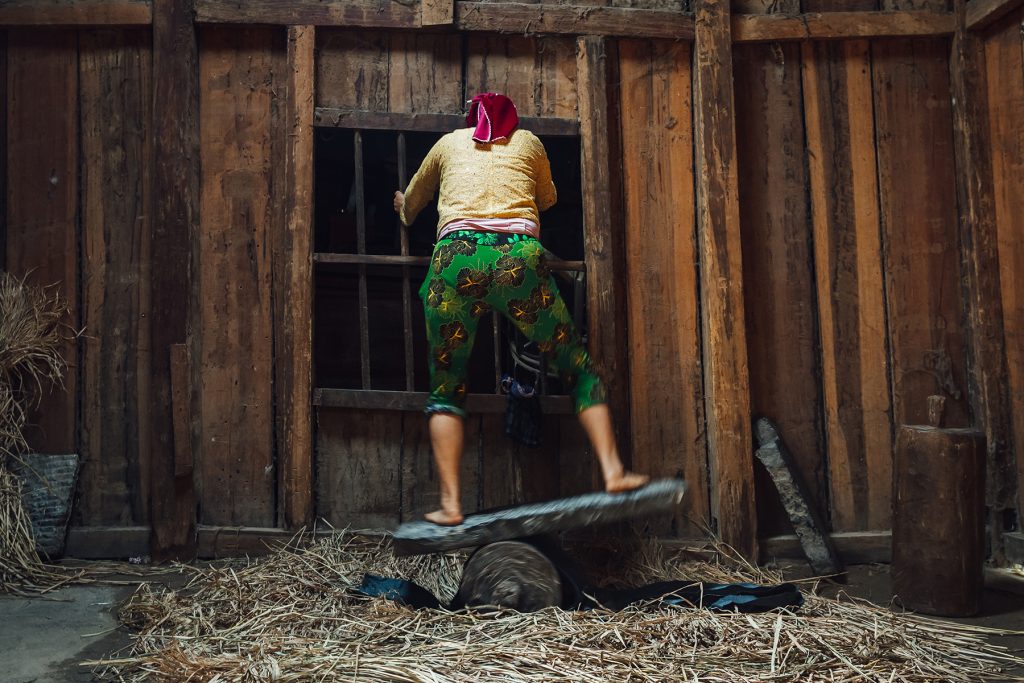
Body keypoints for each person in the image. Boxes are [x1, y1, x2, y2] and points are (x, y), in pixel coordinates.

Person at [393, 92, 648, 526]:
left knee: (447, 387)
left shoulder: (447, 144)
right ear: (512, 121)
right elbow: (546, 197)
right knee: (578, 367)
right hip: (518, 260)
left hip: (455, 259)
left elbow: (414, 200)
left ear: (468, 121)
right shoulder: (529, 142)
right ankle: (615, 472)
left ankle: (452, 504)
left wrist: (404, 209)